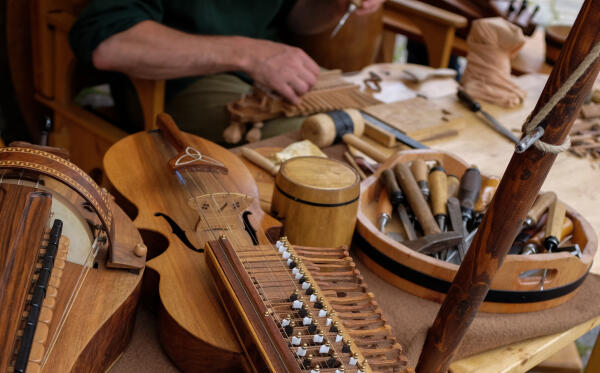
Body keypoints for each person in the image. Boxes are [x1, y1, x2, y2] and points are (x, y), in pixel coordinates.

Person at [69, 0, 384, 144]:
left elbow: (293, 15)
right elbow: (109, 43)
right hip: (174, 83)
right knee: (323, 136)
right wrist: (248, 54)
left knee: (378, 122)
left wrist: (333, 5)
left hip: (264, 71)